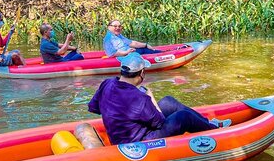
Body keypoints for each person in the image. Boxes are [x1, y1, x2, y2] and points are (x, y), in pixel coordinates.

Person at [88, 53, 231, 145]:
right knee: (184, 117)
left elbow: (93, 108)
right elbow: (160, 123)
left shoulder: (107, 83)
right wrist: (149, 97)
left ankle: (208, 123)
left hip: (123, 134)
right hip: (138, 142)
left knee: (168, 101)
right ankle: (213, 131)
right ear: (142, 73)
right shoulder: (139, 98)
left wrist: (119, 110)